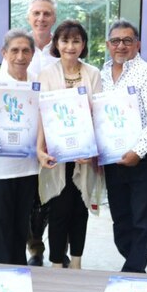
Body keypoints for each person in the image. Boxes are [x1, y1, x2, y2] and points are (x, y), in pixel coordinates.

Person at [101, 20, 147, 273]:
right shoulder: (103, 74)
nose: (121, 46)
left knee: (142, 218)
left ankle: (133, 271)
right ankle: (133, 258)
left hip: (143, 159)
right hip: (113, 159)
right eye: (116, 41)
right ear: (108, 45)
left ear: (137, 44)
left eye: (127, 40)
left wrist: (138, 152)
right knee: (121, 219)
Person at [36, 20, 103, 269]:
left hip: (84, 157)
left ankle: (76, 262)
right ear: (56, 44)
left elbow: (98, 115)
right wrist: (40, 150)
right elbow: (42, 115)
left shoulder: (92, 73)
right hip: (57, 155)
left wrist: (90, 148)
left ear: (83, 44)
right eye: (65, 40)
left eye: (76, 41)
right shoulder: (46, 74)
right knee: (59, 210)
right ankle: (55, 263)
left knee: (80, 208)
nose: (70, 46)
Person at [0, 30, 41, 265]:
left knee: (21, 225)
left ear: (33, 54)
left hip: (30, 167)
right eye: (14, 50)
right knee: (1, 227)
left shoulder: (37, 83)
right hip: (1, 169)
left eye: (26, 50)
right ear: (4, 53)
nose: (20, 56)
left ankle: (18, 272)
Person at [7, 0, 59, 266]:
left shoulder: (60, 48)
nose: (41, 18)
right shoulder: (20, 47)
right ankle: (32, 246)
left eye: (47, 13)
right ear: (29, 17)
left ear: (54, 18)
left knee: (47, 197)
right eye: (37, 13)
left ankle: (42, 245)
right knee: (27, 194)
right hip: (21, 131)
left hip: (53, 131)